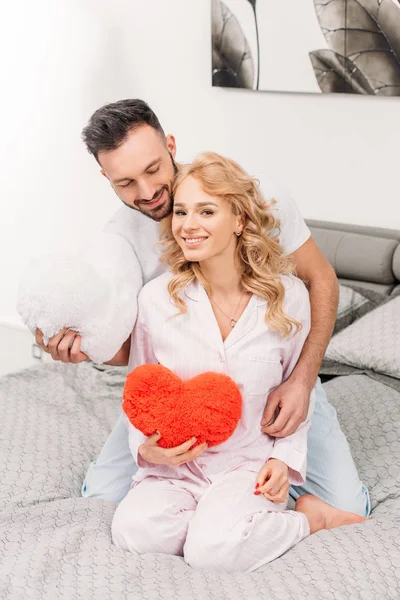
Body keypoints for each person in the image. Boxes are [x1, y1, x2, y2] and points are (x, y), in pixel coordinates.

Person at [35, 99, 370, 517]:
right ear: (105, 177)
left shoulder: (258, 197)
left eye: (153, 169)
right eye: (125, 183)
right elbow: (139, 347)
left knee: (348, 509)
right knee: (100, 500)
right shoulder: (120, 240)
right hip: (178, 389)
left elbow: (321, 279)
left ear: (171, 144)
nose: (146, 193)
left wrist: (301, 381)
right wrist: (87, 349)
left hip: (269, 379)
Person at [111, 152, 365, 572]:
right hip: (176, 468)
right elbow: (141, 391)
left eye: (206, 211)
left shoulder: (288, 299)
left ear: (240, 220)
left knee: (213, 554)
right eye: (181, 212)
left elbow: (295, 398)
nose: (188, 225)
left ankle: (307, 518)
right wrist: (148, 451)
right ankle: (218, 524)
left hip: (250, 463)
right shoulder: (155, 300)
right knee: (133, 532)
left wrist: (283, 461)